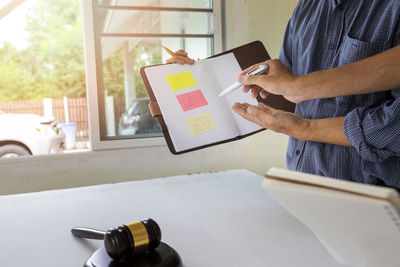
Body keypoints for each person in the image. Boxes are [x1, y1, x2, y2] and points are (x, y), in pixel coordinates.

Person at [168, 0, 400, 188]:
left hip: (375, 199)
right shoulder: (306, 9)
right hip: (301, 185)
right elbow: (288, 99)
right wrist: (197, 78)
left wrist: (304, 128)